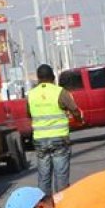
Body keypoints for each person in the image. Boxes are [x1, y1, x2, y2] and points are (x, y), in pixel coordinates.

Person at [27, 64, 83, 194]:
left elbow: (29, 113)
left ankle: (45, 207)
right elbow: (74, 109)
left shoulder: (31, 95)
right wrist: (79, 119)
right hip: (59, 139)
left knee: (43, 176)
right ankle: (61, 207)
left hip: (40, 140)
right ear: (52, 77)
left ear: (38, 78)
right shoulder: (59, 92)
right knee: (61, 176)